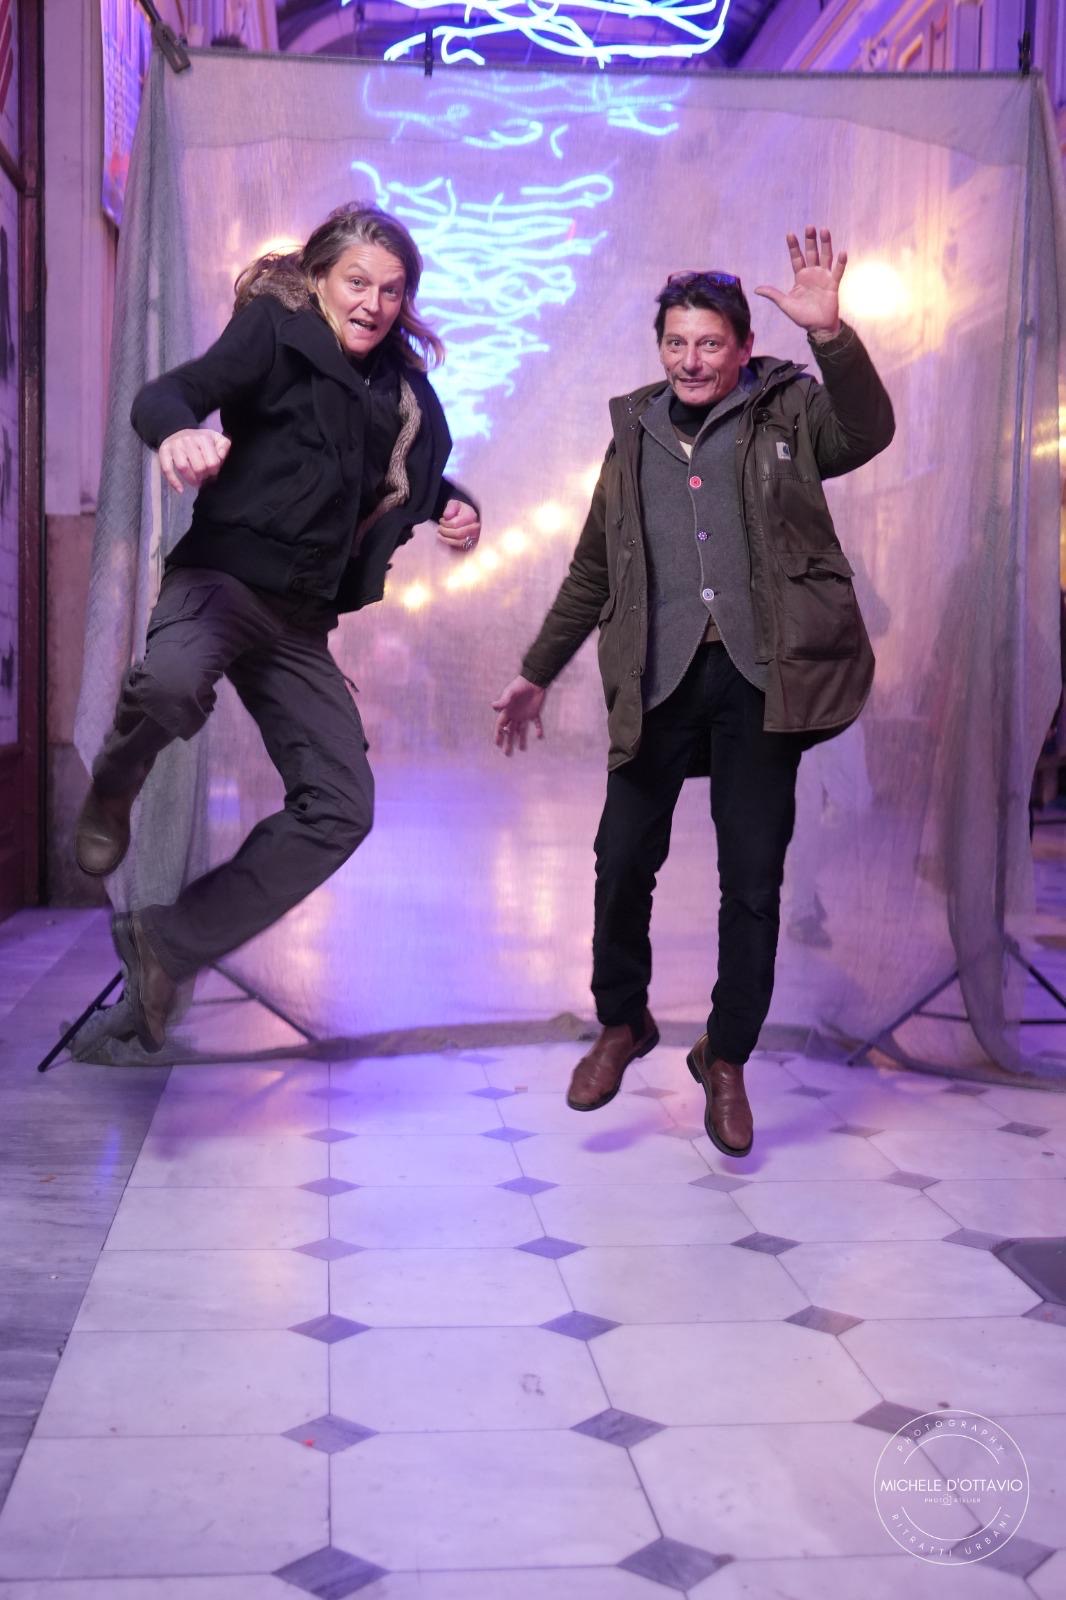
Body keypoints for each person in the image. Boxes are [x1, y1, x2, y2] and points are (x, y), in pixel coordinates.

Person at [492, 226, 894, 1157]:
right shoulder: (632, 438)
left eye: (710, 342)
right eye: (676, 342)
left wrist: (831, 336)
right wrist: (535, 671)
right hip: (658, 678)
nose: (691, 359)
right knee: (620, 858)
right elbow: (591, 572)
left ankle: (727, 1056)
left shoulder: (790, 413)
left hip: (761, 681)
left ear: (743, 346)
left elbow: (868, 431)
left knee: (751, 881)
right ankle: (623, 1021)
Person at [76, 203, 480, 1053]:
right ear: (320, 277)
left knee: (340, 807)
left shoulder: (400, 392)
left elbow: (403, 478)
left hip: (298, 619)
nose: (373, 303)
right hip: (222, 578)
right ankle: (114, 782)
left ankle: (167, 944)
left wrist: (454, 506)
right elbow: (174, 392)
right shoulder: (276, 330)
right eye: (357, 282)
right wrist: (178, 435)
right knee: (173, 683)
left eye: (392, 290)